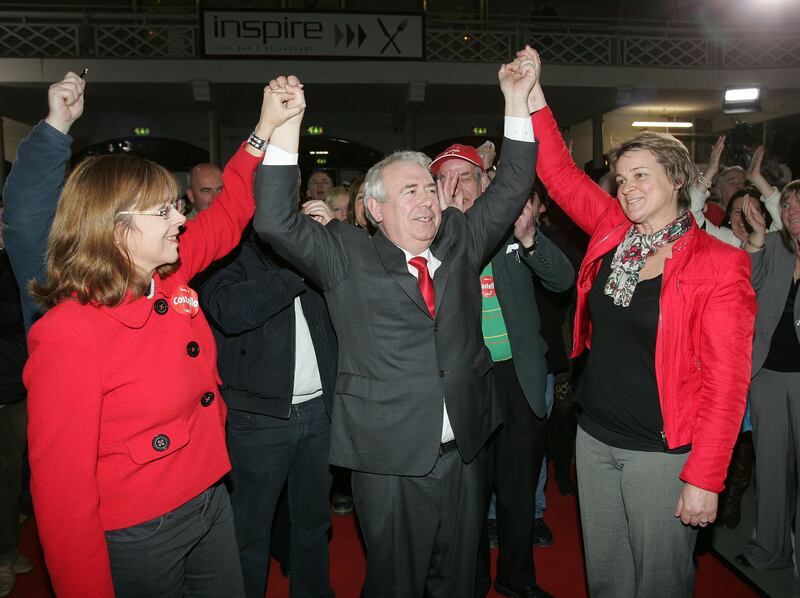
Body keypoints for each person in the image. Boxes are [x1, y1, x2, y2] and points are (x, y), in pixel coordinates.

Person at [5, 70, 304, 598]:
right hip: (140, 531)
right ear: (116, 229)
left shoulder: (171, 271)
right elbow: (63, 496)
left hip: (209, 497)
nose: (180, 220)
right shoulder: (69, 333)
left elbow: (233, 208)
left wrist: (263, 129)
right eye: (163, 210)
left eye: (177, 205)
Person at [253, 53, 538, 597]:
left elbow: (514, 182)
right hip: (388, 460)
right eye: (411, 191)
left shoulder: (460, 242)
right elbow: (272, 220)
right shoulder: (345, 255)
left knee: (460, 582)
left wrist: (516, 101)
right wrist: (283, 130)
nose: (429, 200)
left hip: (466, 452)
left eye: (429, 190)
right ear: (376, 209)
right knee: (395, 583)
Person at [519, 46, 756, 597]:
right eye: (621, 178)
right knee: (606, 582)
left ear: (676, 179)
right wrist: (534, 94)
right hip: (595, 437)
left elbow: (727, 385)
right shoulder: (613, 230)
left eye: (641, 176)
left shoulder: (720, 263)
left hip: (661, 452)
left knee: (658, 585)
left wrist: (704, 477)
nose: (626, 188)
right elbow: (555, 171)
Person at [432, 144, 573, 598]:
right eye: (446, 179)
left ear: (486, 183)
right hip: (464, 385)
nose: (457, 187)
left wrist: (531, 238)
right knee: (468, 498)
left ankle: (517, 577)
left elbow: (563, 281)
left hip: (517, 378)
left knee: (517, 492)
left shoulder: (514, 230)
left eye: (466, 177)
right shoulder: (426, 237)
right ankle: (469, 583)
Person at [199, 218, 338, 598]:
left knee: (313, 523)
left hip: (319, 411)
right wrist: (296, 268)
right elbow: (229, 310)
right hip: (258, 419)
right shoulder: (225, 252)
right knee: (249, 529)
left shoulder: (311, 245)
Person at [736, 181, 800, 579]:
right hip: (768, 377)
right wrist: (756, 239)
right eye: (788, 205)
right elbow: (744, 286)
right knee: (771, 470)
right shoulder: (773, 246)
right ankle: (770, 549)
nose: (793, 210)